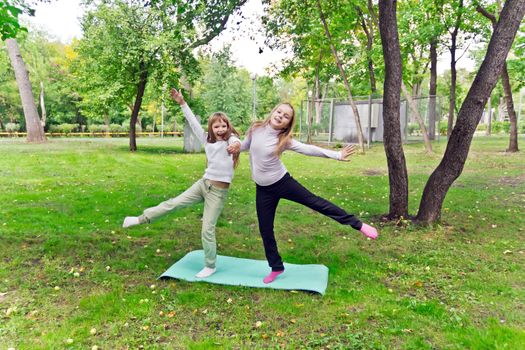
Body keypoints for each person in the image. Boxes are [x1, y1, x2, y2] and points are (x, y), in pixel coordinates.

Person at [227, 102, 379, 284]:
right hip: (263, 189)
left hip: (282, 182)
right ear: (273, 111)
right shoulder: (256, 128)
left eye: (286, 116)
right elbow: (247, 146)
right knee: (265, 229)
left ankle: (358, 224)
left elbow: (309, 150)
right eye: (279, 112)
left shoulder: (284, 140)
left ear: (287, 124)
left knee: (316, 203)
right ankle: (276, 267)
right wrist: (236, 147)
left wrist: (336, 155)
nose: (280, 116)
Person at [122, 88, 240, 278]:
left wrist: (236, 146)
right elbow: (193, 123)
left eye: (223, 126)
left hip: (218, 192)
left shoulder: (231, 141)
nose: (220, 130)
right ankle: (140, 219)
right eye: (216, 127)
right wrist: (182, 103)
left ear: (228, 127)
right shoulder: (207, 140)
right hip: (203, 184)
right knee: (173, 203)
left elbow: (237, 141)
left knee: (207, 229)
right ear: (211, 128)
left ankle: (210, 265)